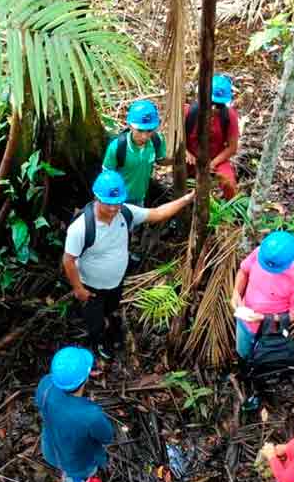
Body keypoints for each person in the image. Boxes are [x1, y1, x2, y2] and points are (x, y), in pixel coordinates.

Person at [62, 170, 195, 360]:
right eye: (108, 203)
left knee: (111, 308)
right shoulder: (81, 228)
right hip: (91, 287)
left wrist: (187, 199)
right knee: (94, 320)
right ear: (96, 198)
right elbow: (68, 260)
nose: (114, 208)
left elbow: (157, 214)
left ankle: (112, 327)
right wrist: (78, 289)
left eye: (117, 203)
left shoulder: (126, 212)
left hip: (116, 282)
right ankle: (98, 342)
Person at [35, 346, 114, 482]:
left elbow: (40, 404)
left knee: (65, 470)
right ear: (85, 378)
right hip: (79, 462)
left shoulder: (46, 384)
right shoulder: (90, 415)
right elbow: (107, 437)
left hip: (51, 448)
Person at [230, 230, 294, 360]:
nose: (268, 268)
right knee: (243, 353)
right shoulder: (260, 252)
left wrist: (263, 318)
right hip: (244, 321)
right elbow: (243, 271)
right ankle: (243, 365)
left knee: (262, 359)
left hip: (269, 332)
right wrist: (236, 293)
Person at [102, 100, 172, 207]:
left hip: (141, 197)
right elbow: (106, 177)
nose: (144, 136)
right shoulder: (118, 147)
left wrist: (177, 159)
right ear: (130, 126)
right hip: (119, 200)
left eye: (149, 131)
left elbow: (160, 160)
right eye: (139, 130)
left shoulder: (156, 140)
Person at [184, 73, 240, 198]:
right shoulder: (188, 112)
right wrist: (186, 152)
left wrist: (213, 163)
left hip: (215, 159)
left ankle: (228, 212)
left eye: (219, 105)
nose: (214, 108)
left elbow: (232, 147)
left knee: (229, 183)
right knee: (183, 185)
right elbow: (175, 139)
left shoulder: (229, 116)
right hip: (190, 160)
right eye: (211, 103)